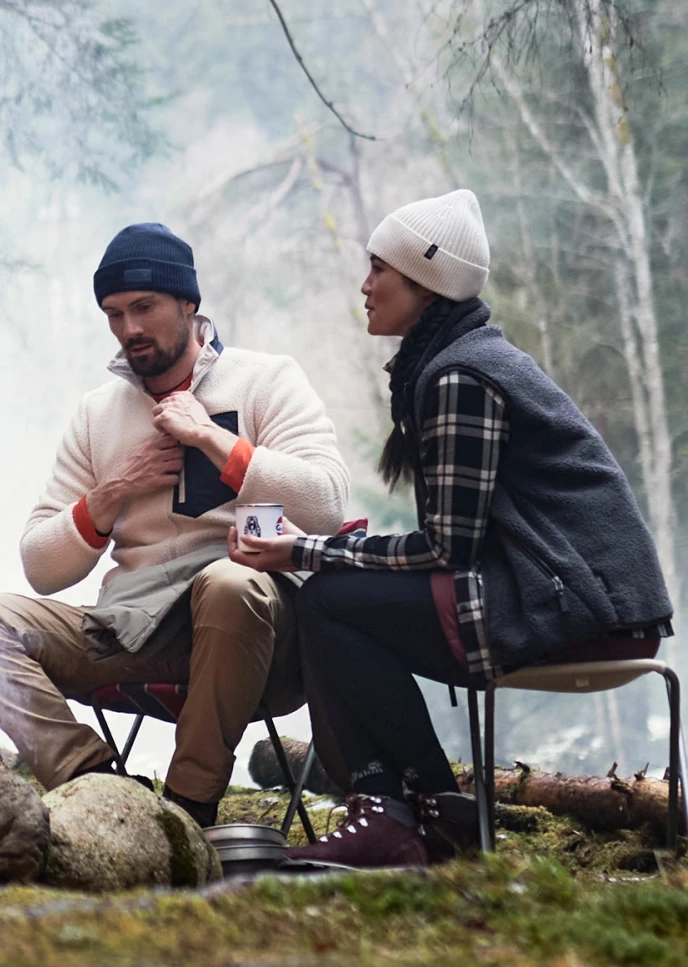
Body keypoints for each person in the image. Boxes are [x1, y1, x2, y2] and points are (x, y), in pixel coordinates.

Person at [231, 189, 674, 868]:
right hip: (569, 597)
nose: (366, 283)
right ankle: (424, 811)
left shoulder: (460, 376)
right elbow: (457, 544)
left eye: (380, 267)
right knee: (337, 595)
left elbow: (447, 548)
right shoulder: (463, 360)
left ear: (426, 281)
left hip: (577, 610)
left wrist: (306, 549)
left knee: (325, 600)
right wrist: (329, 552)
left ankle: (404, 810)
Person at [0, 222, 350, 826]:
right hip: (132, 628)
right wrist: (114, 492)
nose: (129, 329)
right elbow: (41, 566)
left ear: (189, 304)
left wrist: (214, 441)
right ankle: (96, 789)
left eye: (144, 308)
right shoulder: (98, 414)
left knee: (229, 583)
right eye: (114, 313)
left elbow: (326, 504)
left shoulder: (265, 380)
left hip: (255, 638)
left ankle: (187, 811)